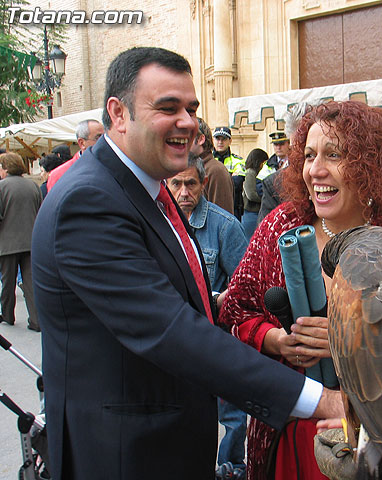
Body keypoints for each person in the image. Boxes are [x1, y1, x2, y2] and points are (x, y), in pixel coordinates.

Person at [30, 46, 342, 480]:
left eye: (191, 108)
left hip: (167, 444)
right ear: (118, 115)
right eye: (167, 107)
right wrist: (321, 399)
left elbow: (189, 301)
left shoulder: (148, 188)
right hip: (124, 455)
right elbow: (171, 330)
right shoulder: (89, 201)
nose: (188, 122)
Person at [220, 100, 382, 480]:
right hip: (289, 432)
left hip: (378, 432)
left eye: (333, 155)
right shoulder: (280, 225)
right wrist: (276, 340)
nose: (315, 170)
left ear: (370, 164)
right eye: (307, 155)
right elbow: (236, 308)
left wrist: (347, 343)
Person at [167, 154, 249, 479]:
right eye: (177, 183)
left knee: (231, 411)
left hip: (218, 336)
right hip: (176, 338)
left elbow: (245, 286)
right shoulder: (158, 223)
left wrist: (217, 300)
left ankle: (231, 467)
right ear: (166, 184)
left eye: (191, 183)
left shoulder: (225, 226)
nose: (184, 191)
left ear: (203, 184)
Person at [0, 152, 41, 331]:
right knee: (31, 283)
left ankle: (7, 315)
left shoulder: (2, 187)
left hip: (7, 243)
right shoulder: (33, 186)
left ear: (6, 168)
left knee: (7, 283)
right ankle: (36, 319)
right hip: (31, 241)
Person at [193, 117, 235, 215]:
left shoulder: (216, 171)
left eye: (187, 136)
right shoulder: (191, 168)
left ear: (200, 139)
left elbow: (223, 219)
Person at [47, 119, 104, 192]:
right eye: (98, 138)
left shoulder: (113, 167)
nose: (103, 143)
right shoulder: (59, 175)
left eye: (105, 138)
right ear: (82, 143)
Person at [213, 126, 245, 221]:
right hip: (212, 206)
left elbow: (238, 183)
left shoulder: (238, 160)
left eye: (224, 139)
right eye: (217, 139)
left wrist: (216, 181)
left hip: (233, 208)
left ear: (230, 141)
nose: (220, 142)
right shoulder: (207, 160)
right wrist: (230, 177)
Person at [242, 148, 268, 239]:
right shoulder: (250, 173)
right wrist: (265, 200)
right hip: (251, 213)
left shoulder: (252, 173)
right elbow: (251, 194)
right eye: (263, 162)